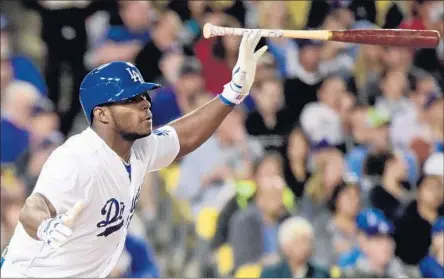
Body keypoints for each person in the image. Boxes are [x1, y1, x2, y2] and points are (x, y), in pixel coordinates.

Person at [0, 31, 268, 277]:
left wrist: (233, 92)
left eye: (143, 96)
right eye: (130, 100)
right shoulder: (78, 158)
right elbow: (33, 207)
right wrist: (46, 226)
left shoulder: (140, 148)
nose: (144, 104)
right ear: (101, 114)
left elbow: (183, 136)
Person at [336, 208, 419, 278]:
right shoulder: (349, 273)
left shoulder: (407, 272)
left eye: (388, 238)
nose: (385, 245)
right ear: (363, 241)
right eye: (378, 240)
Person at [260, 216, 329, 278]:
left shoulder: (321, 274)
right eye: (298, 242)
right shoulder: (270, 274)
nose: (305, 246)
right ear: (285, 245)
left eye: (308, 241)